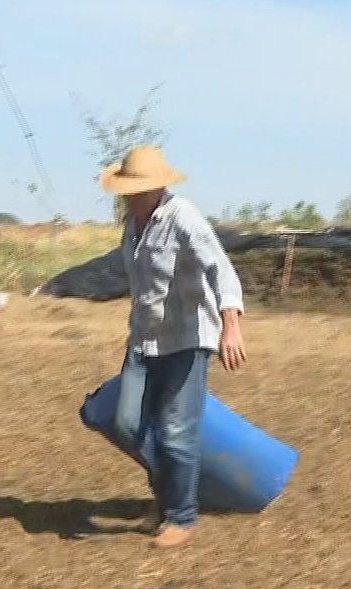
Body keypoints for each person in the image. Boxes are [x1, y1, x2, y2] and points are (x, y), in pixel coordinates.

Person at [98, 144, 247, 549]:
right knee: (128, 424)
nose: (129, 196)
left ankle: (180, 514)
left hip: (186, 339)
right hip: (144, 340)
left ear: (155, 187)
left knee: (177, 431)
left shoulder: (184, 219)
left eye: (135, 188)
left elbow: (221, 268)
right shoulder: (132, 225)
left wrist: (230, 325)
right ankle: (167, 494)